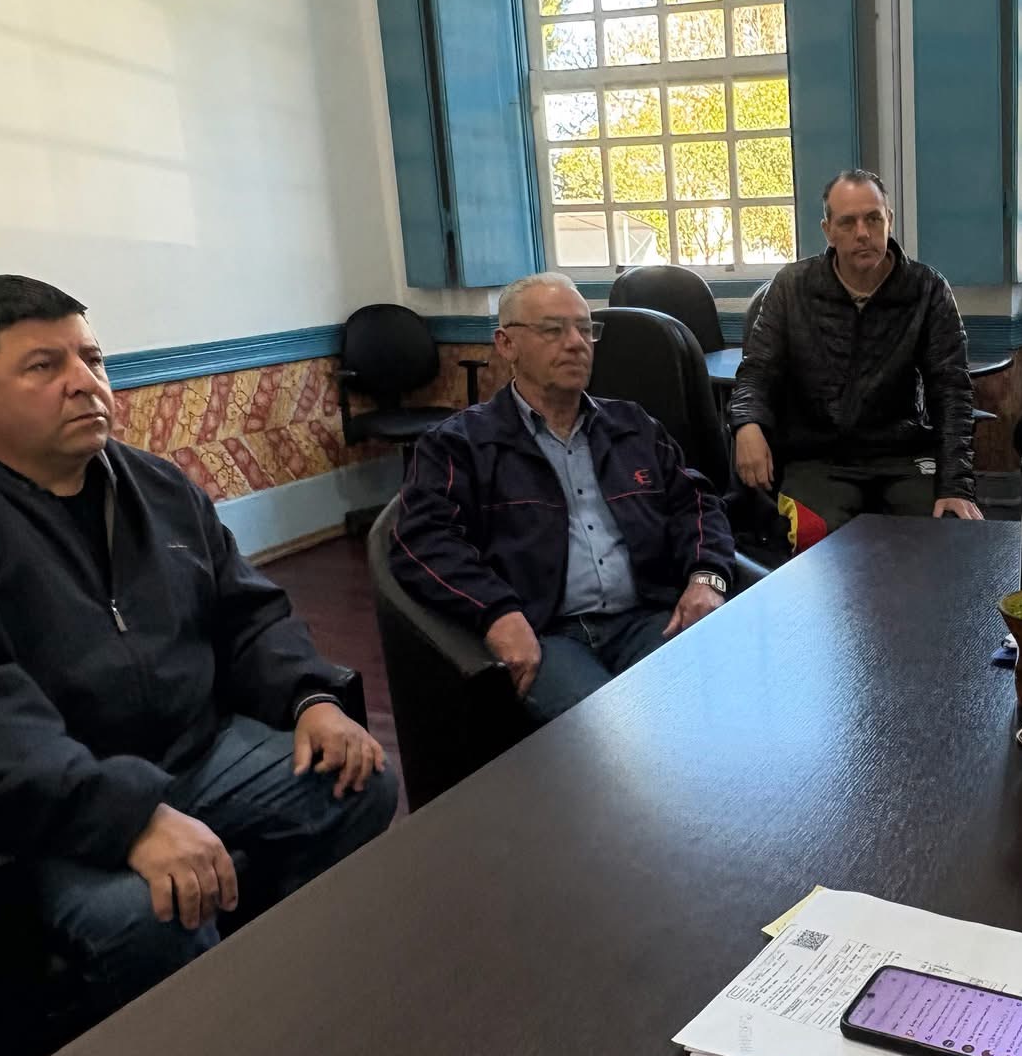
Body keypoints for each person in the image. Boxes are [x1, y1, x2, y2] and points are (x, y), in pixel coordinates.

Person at [0, 277, 393, 1021]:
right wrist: (132, 818)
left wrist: (309, 696)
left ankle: (295, 990)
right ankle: (206, 1055)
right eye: (44, 366)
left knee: (358, 785)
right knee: (149, 915)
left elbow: (246, 611)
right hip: (45, 805)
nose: (85, 383)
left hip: (188, 751)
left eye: (92, 358)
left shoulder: (155, 484)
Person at [388, 271, 735, 724]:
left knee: (714, 704)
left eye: (585, 329)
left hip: (647, 616)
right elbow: (423, 540)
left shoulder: (631, 425)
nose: (576, 343)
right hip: (546, 631)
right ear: (506, 344)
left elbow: (696, 502)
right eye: (553, 330)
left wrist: (707, 577)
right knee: (611, 733)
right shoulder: (461, 445)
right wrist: (496, 613)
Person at [729, 170, 981, 533]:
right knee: (815, 537)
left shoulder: (927, 289)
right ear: (828, 230)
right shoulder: (791, 287)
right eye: (847, 222)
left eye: (873, 219)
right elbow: (758, 371)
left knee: (943, 535)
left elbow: (952, 391)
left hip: (902, 453)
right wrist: (747, 424)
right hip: (818, 457)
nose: (862, 233)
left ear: (889, 220)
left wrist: (956, 484)